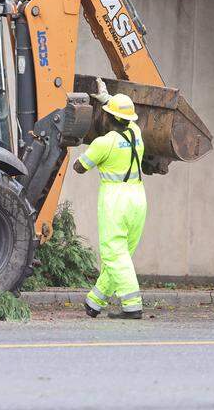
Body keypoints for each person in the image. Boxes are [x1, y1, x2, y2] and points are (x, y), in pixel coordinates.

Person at [73, 90, 146, 319]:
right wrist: (107, 99)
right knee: (121, 255)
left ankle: (132, 305)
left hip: (115, 201)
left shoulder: (103, 143)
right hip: (138, 197)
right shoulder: (137, 133)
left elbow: (80, 167)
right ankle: (95, 301)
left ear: (107, 118)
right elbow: (126, 118)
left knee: (114, 254)